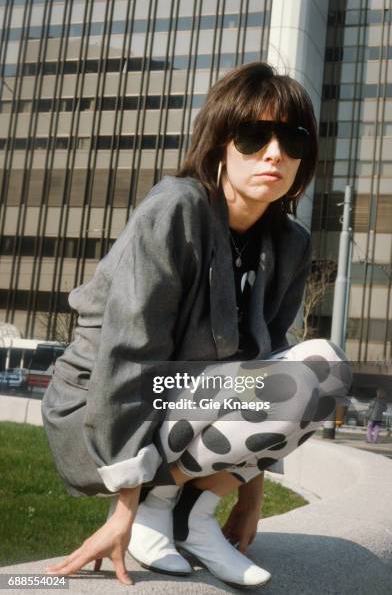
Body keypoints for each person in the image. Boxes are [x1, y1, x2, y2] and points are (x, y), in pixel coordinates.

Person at [42, 62, 353, 589]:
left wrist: (250, 498)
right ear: (220, 146)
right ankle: (154, 507)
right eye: (254, 136)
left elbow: (268, 359)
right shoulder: (176, 209)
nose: (274, 154)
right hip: (103, 405)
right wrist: (125, 508)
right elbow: (129, 357)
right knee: (290, 375)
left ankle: (190, 513)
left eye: (292, 140)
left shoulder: (291, 241)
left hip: (188, 398)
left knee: (324, 370)